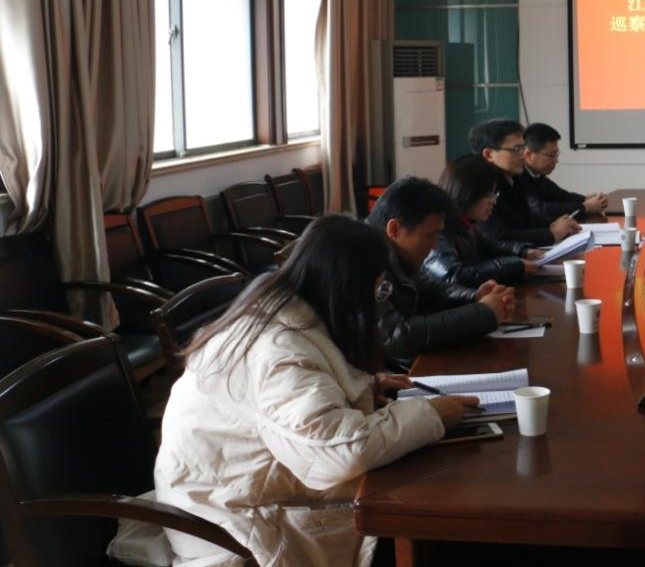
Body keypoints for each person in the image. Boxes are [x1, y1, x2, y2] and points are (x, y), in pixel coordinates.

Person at [154, 215, 481, 567]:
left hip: (243, 490)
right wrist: (431, 414)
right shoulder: (278, 351)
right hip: (233, 523)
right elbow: (339, 452)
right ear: (348, 289)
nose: (377, 302)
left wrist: (361, 386)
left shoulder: (279, 309)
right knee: (436, 521)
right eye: (377, 290)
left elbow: (298, 400)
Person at [367, 176, 515, 362]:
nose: (435, 246)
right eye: (429, 236)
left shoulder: (396, 251)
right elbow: (395, 336)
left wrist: (475, 297)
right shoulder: (363, 260)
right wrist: (483, 313)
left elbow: (428, 288)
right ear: (395, 229)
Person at [426, 155, 543, 288]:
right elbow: (454, 276)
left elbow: (492, 247)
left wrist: (524, 252)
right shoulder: (438, 230)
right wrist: (514, 267)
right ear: (467, 193)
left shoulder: (466, 224)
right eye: (488, 195)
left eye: (495, 194)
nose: (494, 201)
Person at [469, 118, 581, 245]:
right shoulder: (478, 185)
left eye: (523, 148)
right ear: (489, 154)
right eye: (516, 149)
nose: (523, 155)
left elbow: (525, 217)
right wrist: (551, 234)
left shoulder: (514, 177)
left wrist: (552, 224)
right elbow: (496, 235)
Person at [519, 122, 607, 219]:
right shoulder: (516, 178)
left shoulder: (537, 175)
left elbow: (562, 196)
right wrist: (586, 206)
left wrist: (586, 199)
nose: (556, 161)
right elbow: (541, 210)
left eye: (557, 154)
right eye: (552, 155)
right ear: (529, 155)